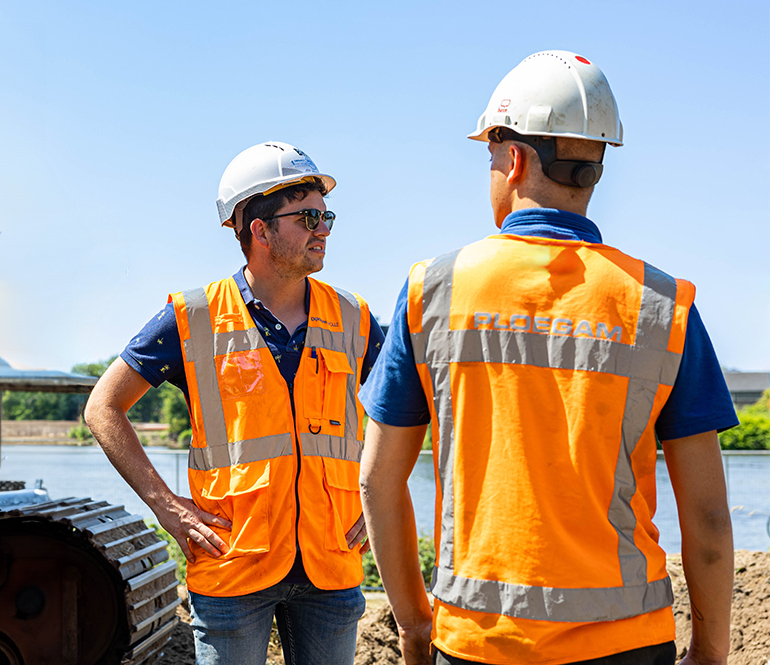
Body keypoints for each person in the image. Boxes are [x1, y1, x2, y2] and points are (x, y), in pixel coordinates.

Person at [359, 51, 737, 665]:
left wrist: (413, 627)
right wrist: (713, 650)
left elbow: (378, 481)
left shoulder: (433, 291)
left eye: (489, 159)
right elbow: (710, 517)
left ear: (513, 160)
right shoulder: (661, 306)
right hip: (628, 641)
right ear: (594, 169)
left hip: (479, 643)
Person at [85, 141, 385, 665]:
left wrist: (379, 489)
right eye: (309, 216)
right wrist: (168, 508)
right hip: (232, 563)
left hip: (331, 562)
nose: (324, 230)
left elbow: (403, 410)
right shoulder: (193, 316)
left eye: (327, 216)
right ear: (259, 229)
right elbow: (102, 408)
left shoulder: (355, 318)